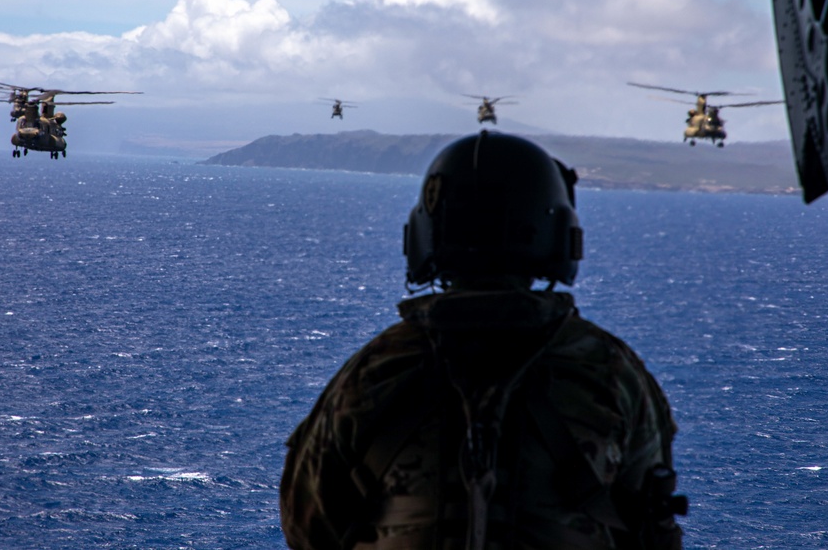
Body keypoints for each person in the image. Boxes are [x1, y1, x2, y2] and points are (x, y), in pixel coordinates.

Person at [280, 131, 686, 550]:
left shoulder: (373, 372)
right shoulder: (611, 371)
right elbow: (651, 529)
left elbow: (307, 526)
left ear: (424, 234)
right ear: (560, 235)